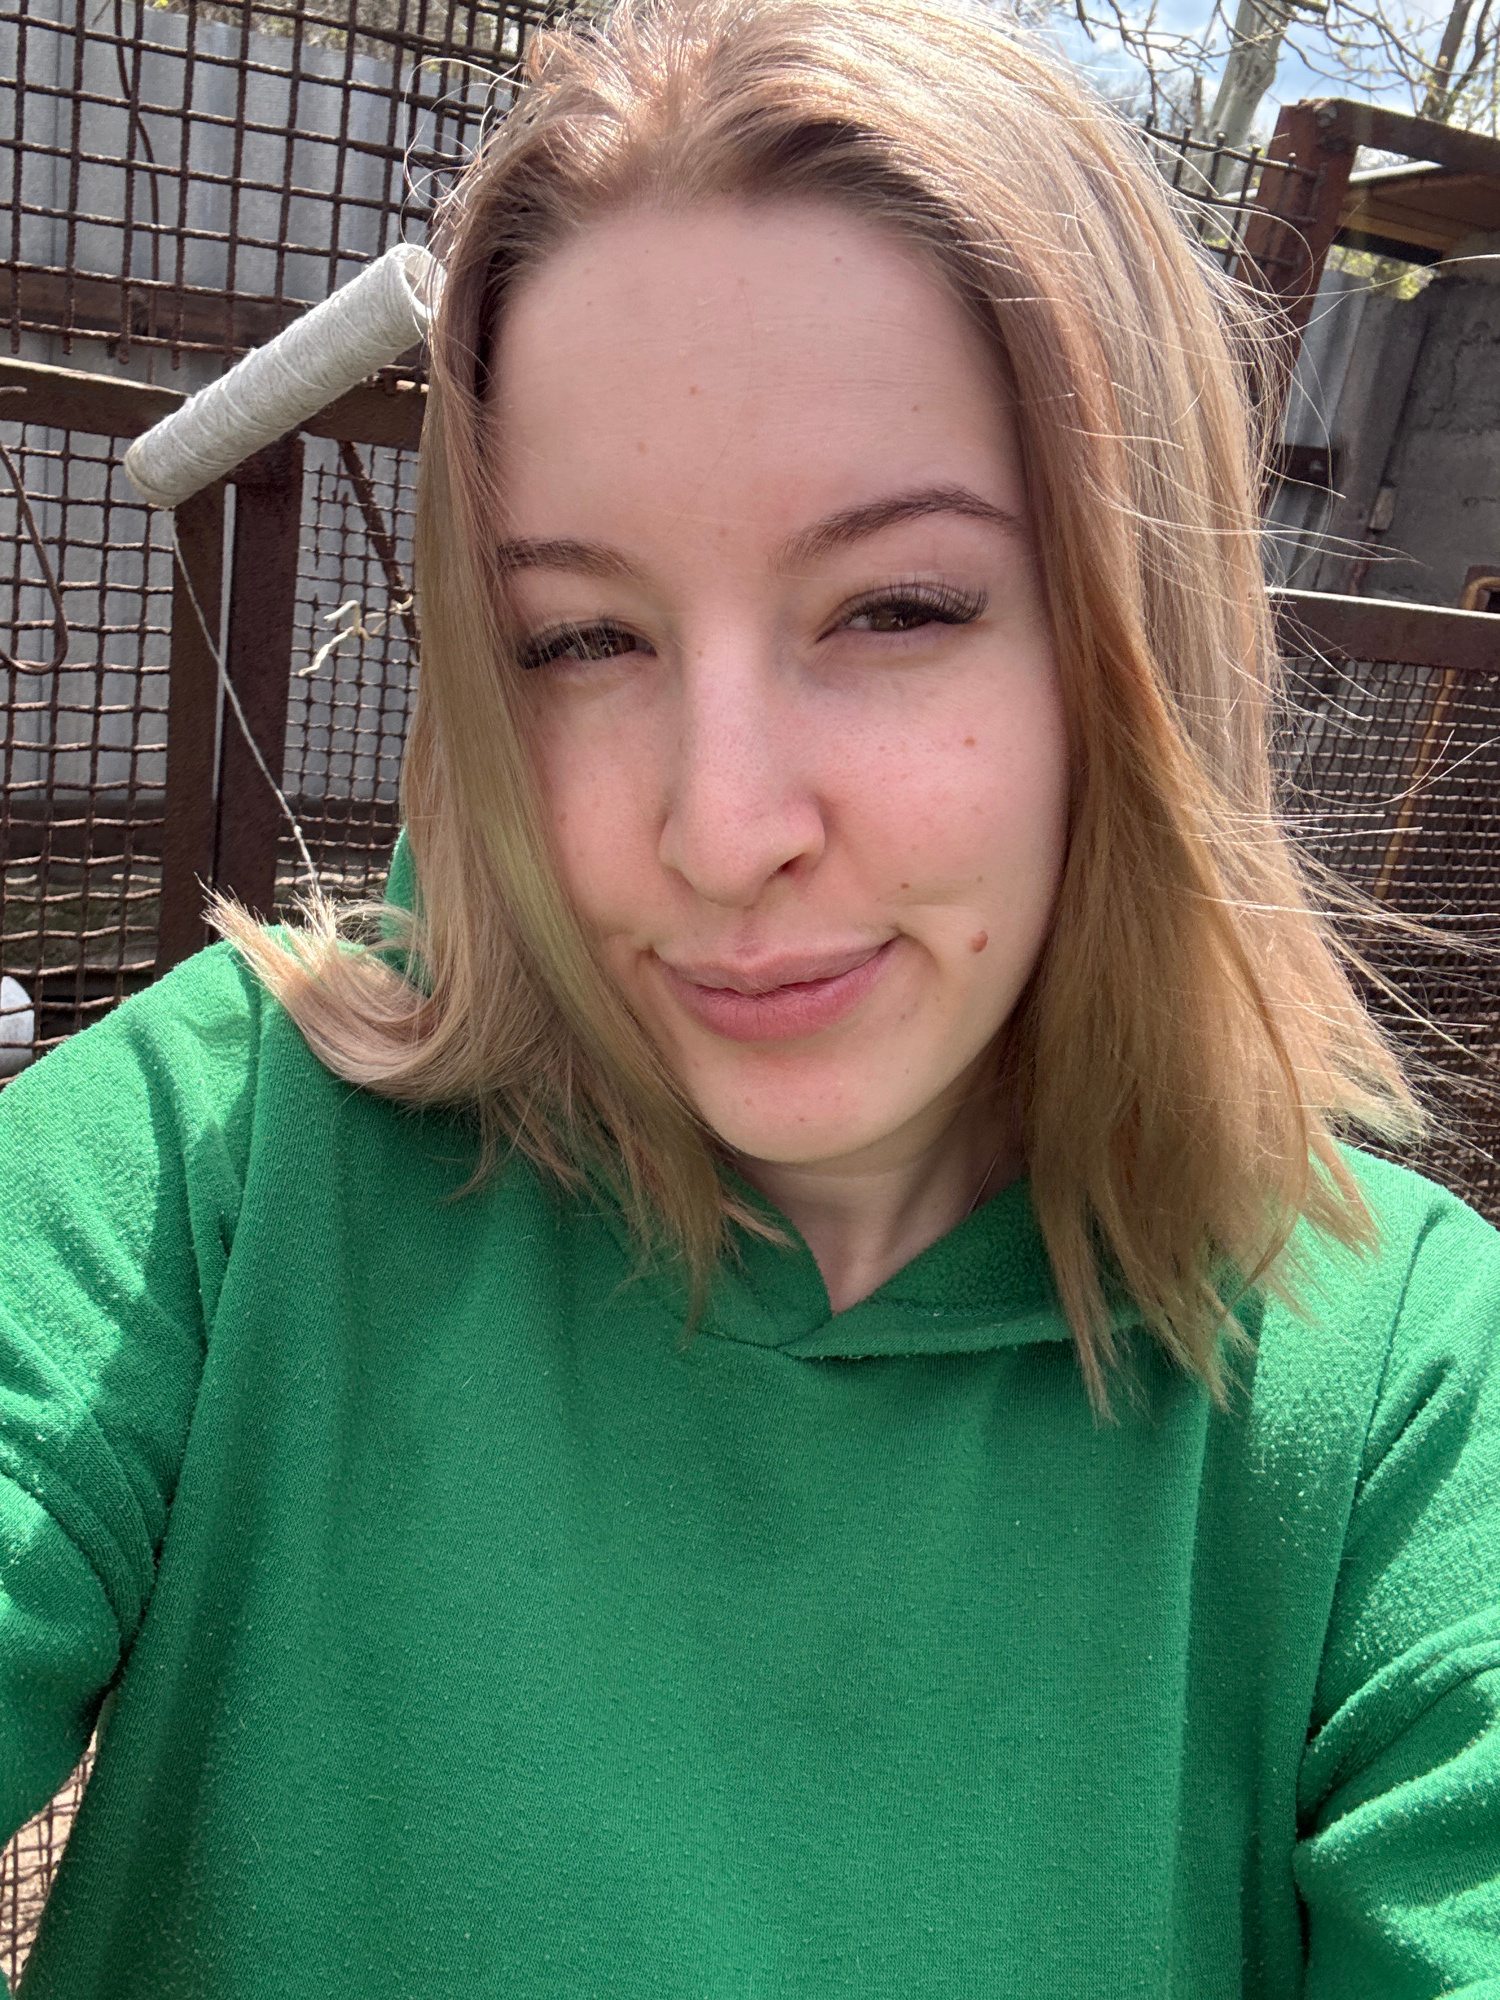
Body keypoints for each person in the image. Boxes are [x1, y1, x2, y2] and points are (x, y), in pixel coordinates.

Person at [2, 0, 1498, 1991]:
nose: (719, 832)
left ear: (1133, 632)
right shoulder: (217, 1165)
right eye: (580, 637)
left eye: (897, 607)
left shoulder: (1396, 1398)